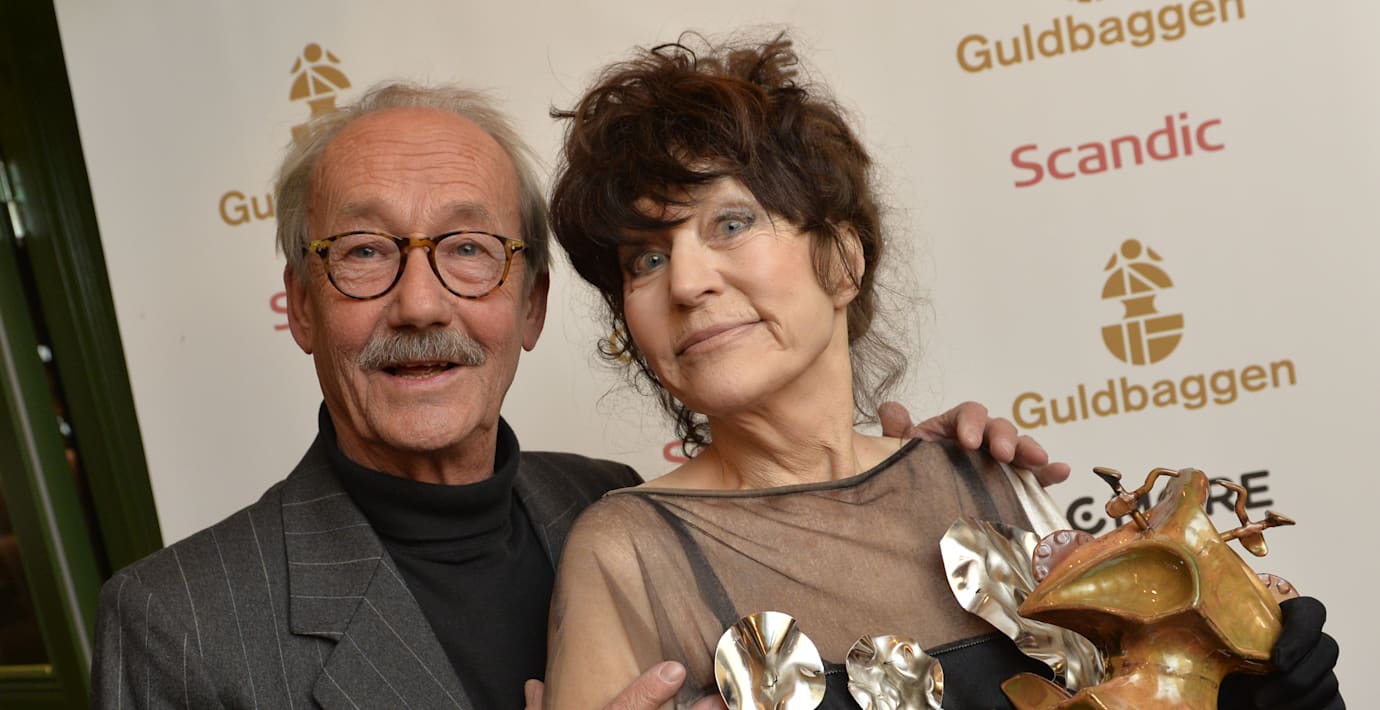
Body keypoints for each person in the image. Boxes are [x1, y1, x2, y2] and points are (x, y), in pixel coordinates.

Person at [89, 81, 1061, 710]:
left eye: (468, 248)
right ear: (301, 305)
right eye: (364, 252)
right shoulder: (180, 622)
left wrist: (923, 480)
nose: (420, 302)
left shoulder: (600, 494)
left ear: (532, 306)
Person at [541, 35, 1343, 709]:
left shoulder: (986, 478)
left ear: (842, 260)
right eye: (645, 258)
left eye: (730, 223)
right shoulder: (625, 553)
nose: (686, 283)